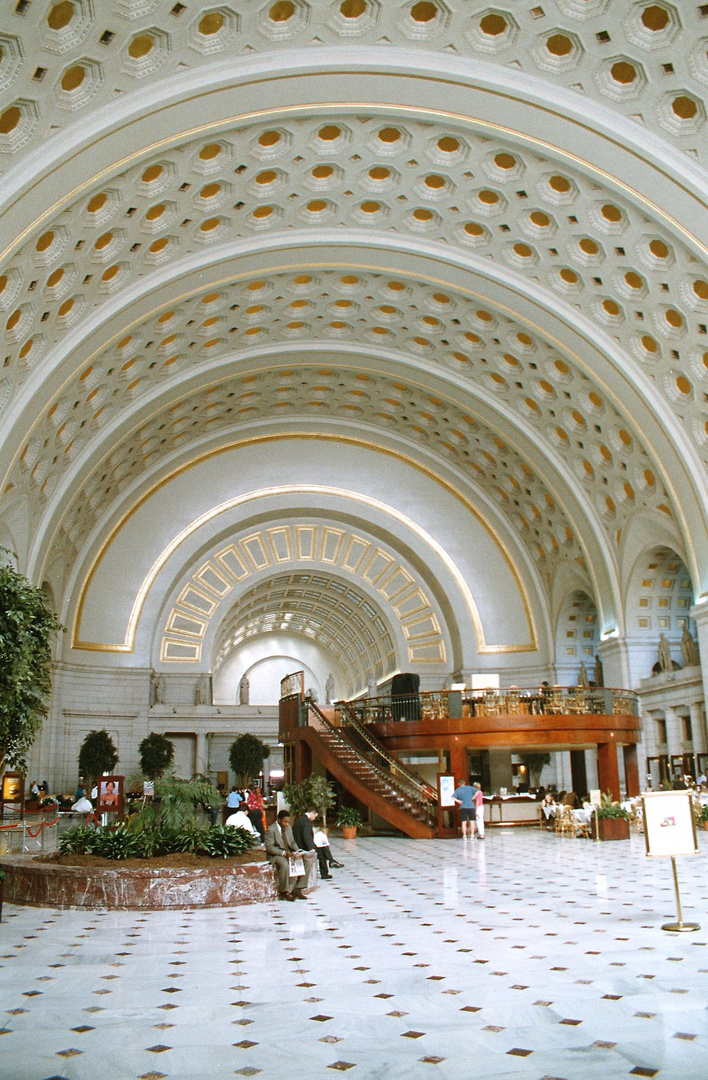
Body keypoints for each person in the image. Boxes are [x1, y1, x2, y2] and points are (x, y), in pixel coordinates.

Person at [265, 809, 310, 901]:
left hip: (289, 852)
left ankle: (298, 888)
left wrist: (299, 851)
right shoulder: (271, 829)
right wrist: (284, 853)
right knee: (284, 864)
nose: (286, 824)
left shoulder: (288, 827)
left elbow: (292, 842)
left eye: (288, 822)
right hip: (277, 854)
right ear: (278, 820)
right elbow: (269, 847)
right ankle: (284, 892)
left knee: (307, 860)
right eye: (284, 822)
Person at [293, 808, 338, 880]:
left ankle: (331, 860)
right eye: (315, 816)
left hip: (298, 843)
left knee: (322, 846)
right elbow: (306, 836)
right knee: (322, 853)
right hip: (303, 846)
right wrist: (312, 848)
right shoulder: (307, 822)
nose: (314, 819)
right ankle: (326, 870)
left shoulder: (299, 819)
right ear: (312, 813)